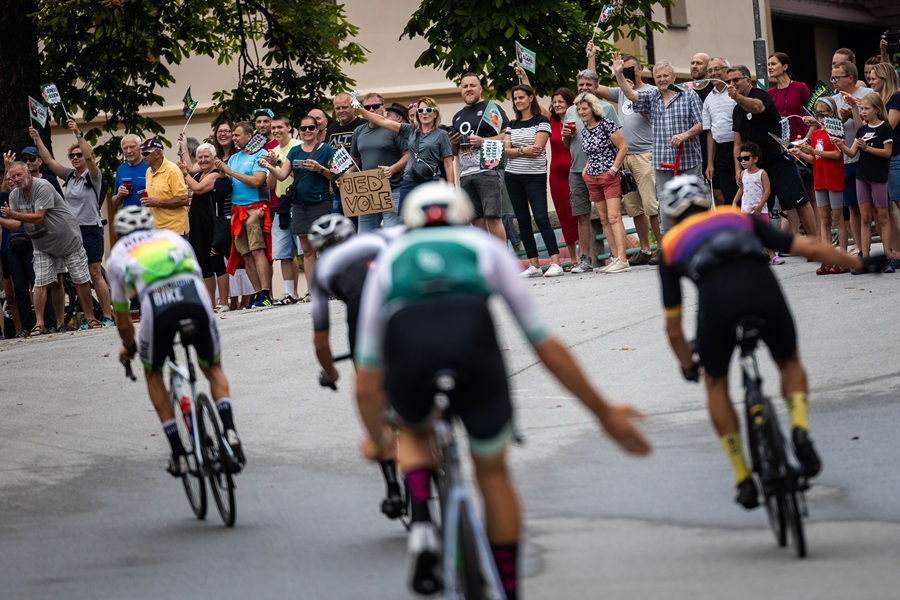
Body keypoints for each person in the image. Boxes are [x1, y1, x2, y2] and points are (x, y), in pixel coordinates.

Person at [353, 182, 651, 599]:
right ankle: (508, 586)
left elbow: (365, 380)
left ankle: (421, 523)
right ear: (463, 217)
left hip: (410, 356)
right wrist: (603, 412)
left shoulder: (388, 260)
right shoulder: (483, 246)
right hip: (474, 350)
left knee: (415, 432)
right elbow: (545, 346)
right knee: (492, 471)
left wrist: (380, 437)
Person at [658, 175, 883, 509]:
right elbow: (808, 246)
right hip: (763, 291)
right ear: (706, 201)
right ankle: (799, 428)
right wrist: (860, 262)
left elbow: (673, 329)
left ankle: (742, 477)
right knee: (788, 361)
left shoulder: (671, 244)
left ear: (671, 215)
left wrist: (689, 366)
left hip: (716, 307)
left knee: (716, 382)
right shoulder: (736, 218)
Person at [108, 205, 244, 477]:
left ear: (119, 233)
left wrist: (131, 347)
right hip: (195, 300)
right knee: (213, 367)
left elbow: (122, 319)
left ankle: (179, 453)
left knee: (154, 372)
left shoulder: (117, 256)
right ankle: (229, 431)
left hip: (158, 310)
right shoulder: (173, 238)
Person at [306, 213, 406, 522]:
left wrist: (331, 373)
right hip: (408, 313)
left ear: (320, 249)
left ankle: (392, 487)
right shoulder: (383, 237)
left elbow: (321, 342)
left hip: (364, 325)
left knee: (374, 404)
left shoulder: (323, 268)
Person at [29, 120, 114, 328]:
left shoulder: (93, 176)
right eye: (72, 156)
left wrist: (78, 134)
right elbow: (48, 161)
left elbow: (90, 157)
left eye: (79, 155)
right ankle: (87, 317)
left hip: (90, 228)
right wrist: (37, 138)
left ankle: (107, 315)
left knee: (94, 271)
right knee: (79, 275)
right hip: (71, 232)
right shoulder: (70, 176)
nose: (76, 158)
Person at [0, 162, 95, 336]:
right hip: (42, 244)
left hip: (67, 239)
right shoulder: (14, 196)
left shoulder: (42, 186)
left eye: (19, 175)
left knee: (80, 277)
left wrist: (13, 214)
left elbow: (38, 217)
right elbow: (15, 225)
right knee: (41, 282)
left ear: (28, 172)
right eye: (12, 177)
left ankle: (90, 318)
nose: (15, 179)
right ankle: (40, 323)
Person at [727, 65, 819, 241]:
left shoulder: (760, 95)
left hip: (778, 160)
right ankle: (767, 251)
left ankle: (816, 245)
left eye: (736, 80)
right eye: (729, 81)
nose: (732, 84)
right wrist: (739, 168)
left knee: (799, 201)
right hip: (756, 168)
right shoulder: (736, 110)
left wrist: (737, 97)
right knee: (758, 208)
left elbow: (757, 108)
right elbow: (737, 143)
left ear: (748, 80)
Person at [614, 56, 704, 231]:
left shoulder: (689, 94)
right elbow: (631, 94)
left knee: (692, 200)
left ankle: (698, 236)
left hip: (689, 158)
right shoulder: (652, 95)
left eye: (665, 76)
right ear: (654, 79)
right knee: (664, 200)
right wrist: (619, 74)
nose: (662, 80)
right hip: (663, 160)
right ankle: (671, 243)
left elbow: (701, 123)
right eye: (658, 77)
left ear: (673, 77)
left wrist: (684, 135)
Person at [593, 53, 663, 265]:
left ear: (640, 70)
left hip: (646, 154)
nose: (627, 73)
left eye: (630, 69)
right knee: (634, 208)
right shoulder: (619, 93)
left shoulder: (652, 91)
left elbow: (654, 118)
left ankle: (662, 248)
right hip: (626, 157)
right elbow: (594, 87)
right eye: (623, 70)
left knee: (652, 206)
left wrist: (633, 94)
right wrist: (592, 56)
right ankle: (644, 249)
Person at [514, 65, 580, 268]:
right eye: (555, 102)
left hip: (575, 171)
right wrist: (524, 77)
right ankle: (573, 258)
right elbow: (534, 101)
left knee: (580, 212)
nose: (557, 104)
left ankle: (585, 255)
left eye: (561, 102)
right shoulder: (549, 120)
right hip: (556, 175)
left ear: (570, 103)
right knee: (564, 214)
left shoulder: (577, 120)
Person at [262, 115, 334, 291]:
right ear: (299, 131)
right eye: (304, 128)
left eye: (311, 128)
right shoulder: (295, 152)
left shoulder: (326, 149)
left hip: (320, 202)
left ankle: (328, 288)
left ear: (317, 129)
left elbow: (337, 176)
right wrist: (268, 166)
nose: (307, 131)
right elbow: (282, 175)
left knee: (324, 249)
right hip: (299, 206)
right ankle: (312, 291)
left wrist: (320, 169)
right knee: (307, 251)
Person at [503, 84, 564, 278]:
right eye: (515, 98)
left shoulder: (542, 121)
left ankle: (556, 263)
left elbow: (537, 149)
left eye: (521, 97)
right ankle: (534, 264)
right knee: (522, 220)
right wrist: (523, 149)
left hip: (534, 177)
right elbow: (504, 151)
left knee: (541, 218)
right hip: (512, 176)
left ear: (531, 98)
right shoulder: (511, 124)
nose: (518, 101)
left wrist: (516, 149)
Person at [564, 66, 622, 267]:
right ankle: (586, 258)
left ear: (596, 87)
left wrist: (614, 169)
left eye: (589, 84)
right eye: (581, 85)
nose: (584, 88)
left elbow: (619, 142)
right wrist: (566, 136)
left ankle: (619, 257)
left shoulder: (605, 109)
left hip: (606, 171)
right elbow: (569, 144)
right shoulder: (572, 110)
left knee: (611, 216)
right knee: (583, 214)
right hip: (579, 169)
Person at [833, 92, 898, 268]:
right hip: (862, 175)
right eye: (862, 109)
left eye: (867, 109)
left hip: (878, 176)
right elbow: (852, 152)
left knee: (883, 217)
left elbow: (887, 152)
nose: (863, 112)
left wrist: (867, 148)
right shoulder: (862, 129)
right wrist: (841, 145)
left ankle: (887, 255)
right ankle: (866, 257)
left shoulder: (885, 128)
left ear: (877, 109)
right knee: (865, 217)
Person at [214, 121, 273, 308]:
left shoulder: (260, 154)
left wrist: (230, 171)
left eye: (237, 135)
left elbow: (257, 181)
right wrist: (222, 174)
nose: (234, 138)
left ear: (249, 136)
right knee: (246, 254)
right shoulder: (233, 158)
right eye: (233, 136)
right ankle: (257, 293)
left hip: (255, 208)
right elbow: (228, 185)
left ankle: (266, 293)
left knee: (257, 251)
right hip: (237, 210)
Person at [356, 96, 454, 207]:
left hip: (431, 180)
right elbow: (382, 120)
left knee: (431, 217)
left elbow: (448, 164)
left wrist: (451, 188)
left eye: (428, 110)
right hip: (409, 180)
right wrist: (358, 108)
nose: (424, 113)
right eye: (421, 110)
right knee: (408, 219)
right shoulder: (410, 130)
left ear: (435, 114)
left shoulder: (441, 134)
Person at [449, 73, 510, 241]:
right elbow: (454, 152)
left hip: (488, 168)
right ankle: (486, 262)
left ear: (481, 88)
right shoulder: (457, 116)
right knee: (476, 221)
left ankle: (501, 263)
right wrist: (452, 142)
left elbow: (506, 136)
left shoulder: (491, 108)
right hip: (465, 173)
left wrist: (483, 141)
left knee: (493, 218)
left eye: (472, 85)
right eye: (465, 86)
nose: (468, 89)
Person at [791, 97, 848, 273]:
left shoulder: (836, 132)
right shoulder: (815, 134)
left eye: (822, 112)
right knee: (824, 220)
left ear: (831, 113)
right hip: (820, 178)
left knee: (837, 218)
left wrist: (813, 151)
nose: (819, 116)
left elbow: (836, 155)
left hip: (833, 178)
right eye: (816, 113)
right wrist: (800, 152)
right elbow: (815, 160)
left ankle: (843, 257)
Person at [576, 92, 629, 273]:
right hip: (592, 177)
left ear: (593, 108)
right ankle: (615, 257)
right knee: (604, 219)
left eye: (585, 108)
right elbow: (591, 154)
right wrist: (585, 170)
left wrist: (613, 170)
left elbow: (623, 147)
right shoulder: (584, 130)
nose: (581, 111)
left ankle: (623, 258)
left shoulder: (606, 124)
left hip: (609, 175)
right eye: (579, 108)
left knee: (614, 217)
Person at [831, 60, 872, 253]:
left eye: (837, 77)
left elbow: (869, 126)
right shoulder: (833, 99)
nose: (834, 81)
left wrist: (855, 111)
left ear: (850, 77)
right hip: (845, 160)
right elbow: (831, 131)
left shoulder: (868, 95)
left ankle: (890, 250)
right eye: (832, 77)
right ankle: (860, 248)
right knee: (853, 208)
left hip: (867, 158)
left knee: (875, 209)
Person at [350, 93, 407, 231]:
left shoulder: (393, 128)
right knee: (365, 239)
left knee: (392, 237)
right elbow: (355, 159)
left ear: (383, 108)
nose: (371, 110)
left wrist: (393, 169)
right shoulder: (359, 131)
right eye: (367, 107)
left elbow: (408, 154)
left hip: (393, 189)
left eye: (375, 106)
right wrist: (343, 176)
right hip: (367, 191)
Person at [262, 114, 302, 304]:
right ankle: (289, 293)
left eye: (280, 127)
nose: (276, 131)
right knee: (283, 251)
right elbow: (270, 184)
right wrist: (270, 166)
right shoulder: (274, 149)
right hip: (281, 204)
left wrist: (278, 163)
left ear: (289, 128)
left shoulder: (297, 146)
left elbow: (298, 174)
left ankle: (312, 290)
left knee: (305, 249)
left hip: (300, 200)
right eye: (274, 128)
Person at [178, 140, 220, 302]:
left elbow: (198, 189)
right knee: (202, 261)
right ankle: (210, 301)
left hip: (210, 220)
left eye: (206, 157)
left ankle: (222, 300)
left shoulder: (215, 173)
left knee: (215, 261)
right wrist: (183, 147)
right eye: (200, 157)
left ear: (214, 158)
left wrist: (185, 174)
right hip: (196, 222)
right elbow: (189, 166)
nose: (202, 160)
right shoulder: (198, 173)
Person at [702, 57, 739, 205]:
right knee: (727, 195)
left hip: (740, 148)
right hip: (722, 152)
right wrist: (710, 163)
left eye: (717, 69)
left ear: (726, 70)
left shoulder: (735, 92)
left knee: (745, 192)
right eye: (710, 71)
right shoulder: (708, 99)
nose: (713, 73)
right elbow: (710, 133)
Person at [767, 53, 810, 142]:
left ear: (785, 67)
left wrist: (806, 139)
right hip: (781, 144)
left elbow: (813, 114)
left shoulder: (800, 87)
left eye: (773, 64)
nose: (769, 67)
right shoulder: (769, 93)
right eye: (768, 65)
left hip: (801, 141)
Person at [111, 134, 148, 209]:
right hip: (129, 216)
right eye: (125, 148)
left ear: (140, 147)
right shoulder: (121, 169)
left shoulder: (149, 165)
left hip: (148, 216)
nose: (128, 151)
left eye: (132, 147)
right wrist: (119, 195)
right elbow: (114, 202)